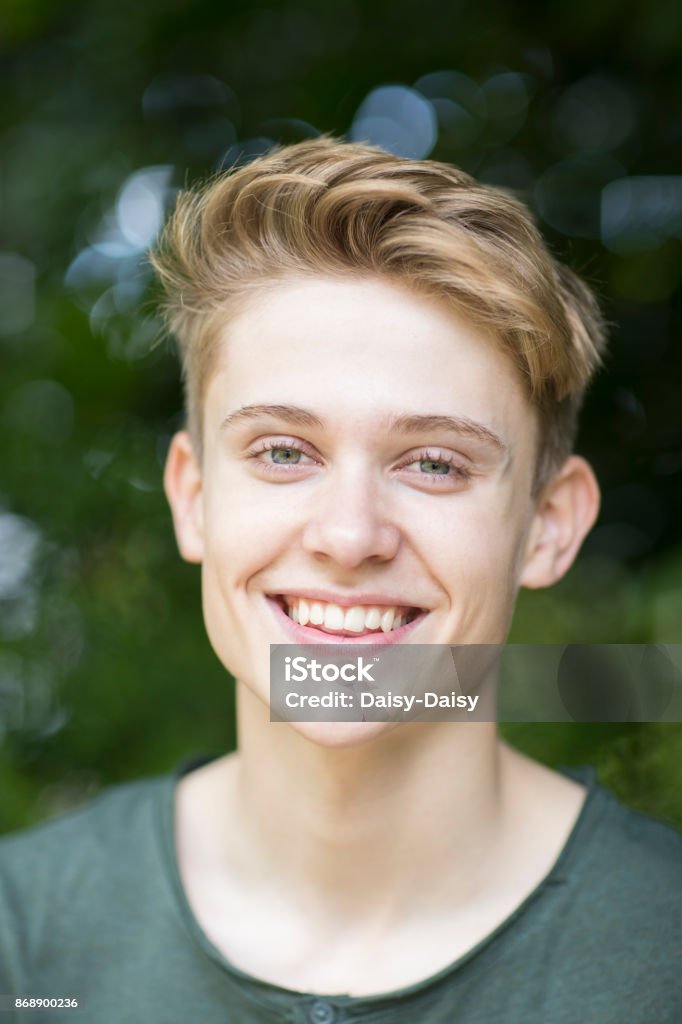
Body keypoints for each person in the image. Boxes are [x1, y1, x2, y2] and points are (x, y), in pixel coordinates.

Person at [1, 137, 680, 1023]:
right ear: (194, 498)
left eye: (434, 463)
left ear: (549, 525)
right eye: (284, 452)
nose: (349, 535)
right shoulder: (27, 936)